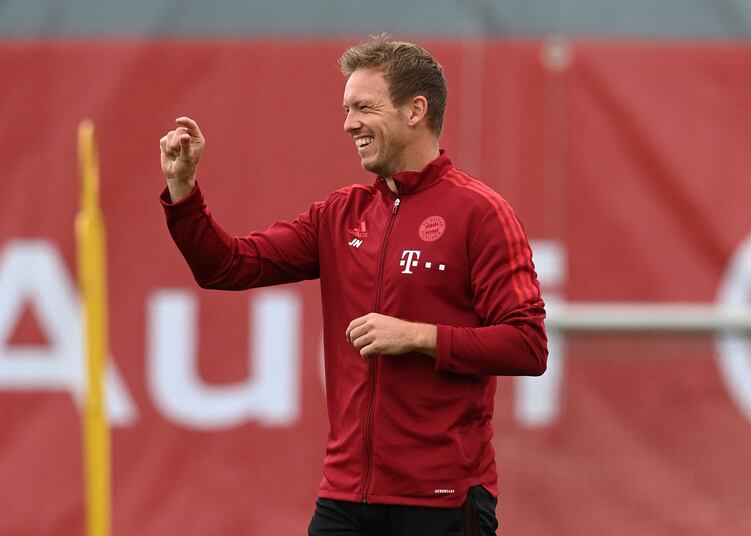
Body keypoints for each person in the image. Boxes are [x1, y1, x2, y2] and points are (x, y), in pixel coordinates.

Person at [159, 34, 547, 536]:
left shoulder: (481, 214)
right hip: (344, 498)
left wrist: (418, 336)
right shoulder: (340, 214)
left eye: (364, 107)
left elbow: (527, 345)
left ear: (415, 110)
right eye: (346, 109)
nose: (349, 124)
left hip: (442, 499)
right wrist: (184, 191)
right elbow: (226, 267)